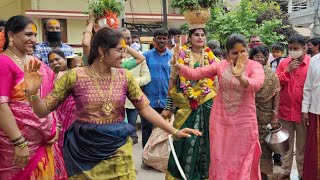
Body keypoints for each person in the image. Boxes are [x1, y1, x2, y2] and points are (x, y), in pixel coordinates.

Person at [23, 27, 201, 179]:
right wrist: (32, 93)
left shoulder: (125, 76)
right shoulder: (74, 76)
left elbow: (145, 109)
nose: (124, 55)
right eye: (119, 50)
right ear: (102, 50)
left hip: (118, 147)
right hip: (83, 149)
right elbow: (42, 111)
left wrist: (174, 131)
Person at [172, 33, 265, 179]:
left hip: (245, 122)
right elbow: (195, 74)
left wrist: (240, 76)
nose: (240, 55)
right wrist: (177, 64)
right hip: (220, 120)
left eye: (243, 51)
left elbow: (256, 85)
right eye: (235, 53)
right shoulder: (221, 65)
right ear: (227, 55)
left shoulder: (254, 66)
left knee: (243, 157)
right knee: (220, 157)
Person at [0, 15, 67, 179]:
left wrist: (55, 125)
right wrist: (19, 142)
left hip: (45, 143)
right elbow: (2, 106)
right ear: (10, 35)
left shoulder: (34, 62)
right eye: (28, 34)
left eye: (35, 35)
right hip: (17, 146)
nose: (33, 39)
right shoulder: (4, 62)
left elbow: (48, 96)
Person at [163, 27, 219, 180]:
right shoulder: (180, 55)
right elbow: (172, 82)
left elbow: (216, 84)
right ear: (189, 37)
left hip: (208, 105)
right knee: (184, 142)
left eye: (202, 34)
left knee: (209, 144)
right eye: (196, 34)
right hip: (186, 106)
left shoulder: (212, 57)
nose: (200, 37)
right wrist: (168, 107)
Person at [275, 34, 310, 180]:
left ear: (304, 48)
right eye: (290, 48)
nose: (292, 51)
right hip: (285, 111)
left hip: (303, 113)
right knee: (286, 147)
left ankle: (302, 174)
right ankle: (285, 172)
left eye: (296, 48)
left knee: (302, 148)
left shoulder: (311, 63)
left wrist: (307, 110)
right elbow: (276, 84)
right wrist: (287, 71)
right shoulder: (284, 63)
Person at [141, 27, 172, 168]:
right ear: (154, 40)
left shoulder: (172, 57)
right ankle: (146, 160)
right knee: (147, 130)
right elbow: (141, 76)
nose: (161, 40)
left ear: (167, 40)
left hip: (166, 100)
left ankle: (164, 159)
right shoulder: (146, 56)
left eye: (164, 38)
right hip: (149, 99)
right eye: (159, 38)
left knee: (165, 131)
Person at [249, 45, 280, 180]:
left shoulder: (271, 74)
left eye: (263, 56)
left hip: (266, 117)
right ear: (251, 57)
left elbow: (277, 94)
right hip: (248, 115)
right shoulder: (246, 72)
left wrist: (274, 116)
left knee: (264, 149)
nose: (260, 59)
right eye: (257, 56)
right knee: (248, 147)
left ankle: (263, 175)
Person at [120, 29, 151, 145]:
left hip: (133, 99)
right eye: (123, 38)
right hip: (117, 100)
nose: (126, 40)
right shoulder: (114, 56)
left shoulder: (138, 56)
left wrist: (134, 82)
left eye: (128, 38)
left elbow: (147, 77)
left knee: (131, 127)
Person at [47, 50, 76, 149]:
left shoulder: (74, 73)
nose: (55, 62)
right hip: (57, 113)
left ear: (65, 59)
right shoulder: (47, 77)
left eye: (57, 59)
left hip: (73, 114)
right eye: (51, 61)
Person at [302, 53, 320, 180]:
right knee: (315, 151)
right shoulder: (314, 60)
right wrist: (305, 109)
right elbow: (308, 87)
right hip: (316, 111)